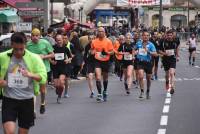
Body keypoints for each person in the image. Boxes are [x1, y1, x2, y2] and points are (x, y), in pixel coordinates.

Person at [0, 32, 47, 134]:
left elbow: (43, 77)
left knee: (22, 132)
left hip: (27, 100)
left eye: (21, 49)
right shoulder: (3, 57)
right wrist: (1, 82)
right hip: (9, 99)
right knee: (9, 132)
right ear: (11, 45)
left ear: (25, 45)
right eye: (16, 49)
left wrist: (31, 75)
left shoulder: (34, 58)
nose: (19, 52)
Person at [26, 28, 54, 115]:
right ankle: (33, 110)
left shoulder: (45, 43)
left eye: (37, 35)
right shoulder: (28, 45)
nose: (35, 37)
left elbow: (52, 54)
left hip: (44, 69)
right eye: (33, 35)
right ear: (31, 36)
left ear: (40, 36)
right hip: (32, 70)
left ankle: (42, 103)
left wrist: (43, 57)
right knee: (33, 90)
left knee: (42, 89)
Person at [91, 27, 114, 102]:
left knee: (105, 78)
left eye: (102, 31)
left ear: (104, 32)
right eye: (99, 31)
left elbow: (112, 52)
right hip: (97, 61)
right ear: (97, 32)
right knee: (98, 77)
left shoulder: (108, 41)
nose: (100, 33)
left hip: (106, 61)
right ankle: (99, 94)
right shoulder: (94, 41)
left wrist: (107, 53)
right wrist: (92, 52)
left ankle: (105, 91)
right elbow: (92, 50)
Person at [135, 31, 157, 99]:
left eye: (147, 35)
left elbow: (155, 54)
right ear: (142, 36)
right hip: (140, 62)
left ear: (149, 37)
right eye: (144, 35)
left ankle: (148, 91)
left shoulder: (151, 45)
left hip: (148, 63)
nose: (146, 37)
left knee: (148, 79)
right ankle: (142, 91)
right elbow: (134, 50)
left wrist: (149, 51)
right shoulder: (138, 43)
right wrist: (135, 52)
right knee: (141, 76)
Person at [51, 34, 72, 103]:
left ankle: (59, 97)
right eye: (57, 40)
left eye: (60, 40)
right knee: (57, 85)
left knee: (61, 82)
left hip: (63, 67)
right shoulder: (52, 48)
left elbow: (70, 57)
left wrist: (67, 60)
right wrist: (52, 61)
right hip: (55, 67)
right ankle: (58, 91)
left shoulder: (65, 48)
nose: (59, 41)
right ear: (55, 41)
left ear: (62, 40)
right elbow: (49, 57)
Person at [159, 30, 180, 94]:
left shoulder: (176, 40)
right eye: (168, 35)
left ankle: (172, 87)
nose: (169, 36)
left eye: (171, 35)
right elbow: (159, 50)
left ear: (172, 35)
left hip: (172, 59)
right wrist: (164, 54)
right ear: (166, 35)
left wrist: (177, 55)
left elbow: (177, 47)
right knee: (167, 75)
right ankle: (167, 82)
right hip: (165, 59)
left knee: (172, 73)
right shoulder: (163, 41)